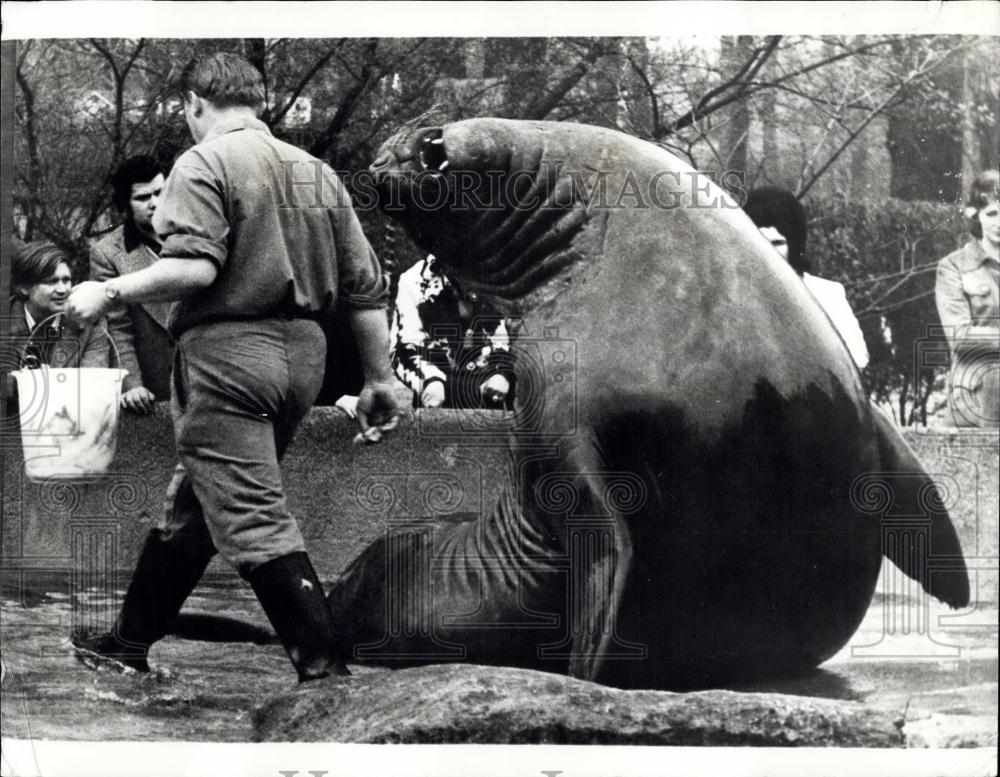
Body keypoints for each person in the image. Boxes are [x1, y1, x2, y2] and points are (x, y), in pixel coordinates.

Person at [66, 52, 400, 683]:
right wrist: (380, 378)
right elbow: (364, 292)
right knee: (197, 500)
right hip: (304, 357)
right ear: (261, 100)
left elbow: (195, 267)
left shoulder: (203, 160)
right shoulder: (316, 172)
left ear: (195, 103)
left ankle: (326, 674)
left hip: (229, 355)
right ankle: (128, 642)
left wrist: (108, 291)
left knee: (250, 512)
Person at [745, 186, 870, 369]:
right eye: (759, 242)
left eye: (777, 243)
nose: (768, 252)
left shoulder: (826, 294)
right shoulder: (735, 294)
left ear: (794, 244)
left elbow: (856, 358)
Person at [90, 155, 173, 415]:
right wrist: (132, 384)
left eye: (161, 192)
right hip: (154, 385)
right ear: (126, 203)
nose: (154, 203)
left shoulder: (197, 233)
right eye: (142, 198)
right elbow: (117, 327)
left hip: (208, 379)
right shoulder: (107, 253)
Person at [391, 254, 514, 409]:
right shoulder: (413, 279)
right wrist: (429, 380)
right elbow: (402, 349)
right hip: (439, 392)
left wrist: (502, 372)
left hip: (493, 389)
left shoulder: (498, 271)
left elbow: (509, 334)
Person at [3, 242, 109, 404]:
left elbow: (92, 385)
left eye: (66, 280)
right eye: (51, 282)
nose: (62, 290)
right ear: (24, 287)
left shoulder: (89, 322)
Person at [935, 169, 1000, 428]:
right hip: (975, 402)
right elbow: (960, 336)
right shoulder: (953, 267)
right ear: (977, 217)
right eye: (992, 213)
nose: (999, 222)